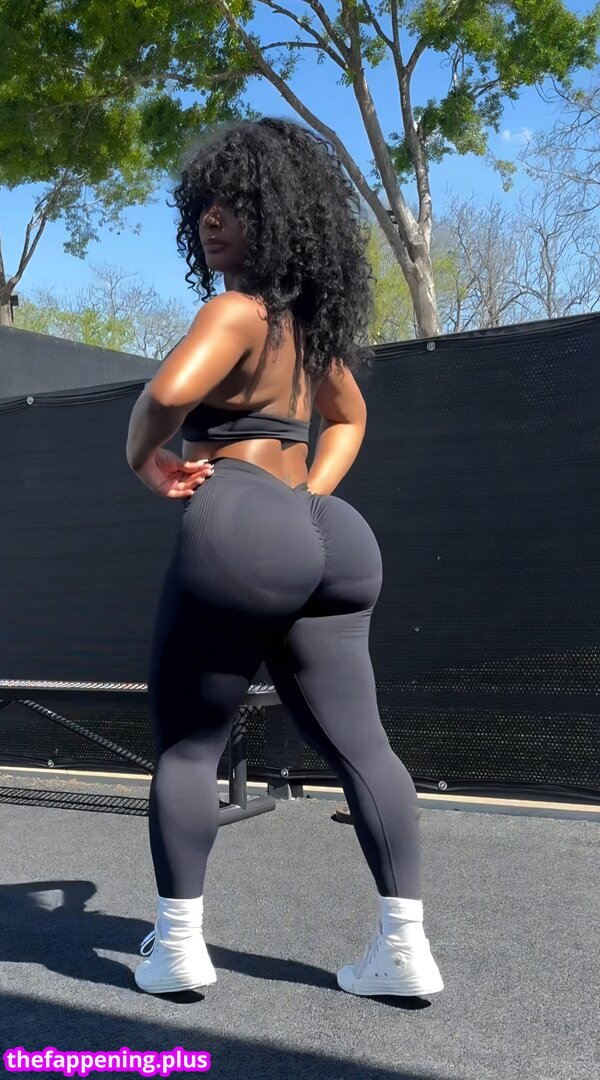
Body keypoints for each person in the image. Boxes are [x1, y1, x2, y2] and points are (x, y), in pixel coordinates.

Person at [125, 116, 444, 1000]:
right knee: (364, 748)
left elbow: (167, 392)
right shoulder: (308, 332)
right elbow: (349, 418)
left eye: (234, 203)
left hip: (241, 521)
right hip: (332, 534)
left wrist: (142, 457)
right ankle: (404, 949)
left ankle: (178, 947)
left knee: (188, 748)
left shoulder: (233, 311)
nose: (211, 218)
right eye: (205, 204)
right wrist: (308, 499)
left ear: (278, 217)